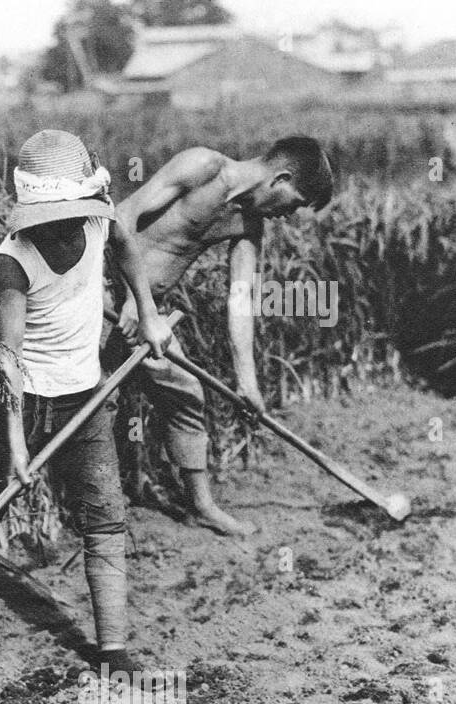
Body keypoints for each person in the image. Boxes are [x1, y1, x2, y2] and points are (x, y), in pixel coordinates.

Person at [0, 130, 171, 669]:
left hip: (86, 394)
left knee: (104, 513)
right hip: (27, 398)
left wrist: (146, 314)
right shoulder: (12, 261)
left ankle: (112, 647)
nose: (64, 218)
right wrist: (14, 442)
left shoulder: (100, 221)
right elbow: (7, 354)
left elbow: (127, 246)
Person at [107, 137, 335, 536]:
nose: (289, 215)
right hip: (107, 295)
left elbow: (240, 301)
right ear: (280, 179)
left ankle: (201, 507)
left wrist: (247, 382)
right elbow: (122, 216)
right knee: (89, 398)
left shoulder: (249, 225)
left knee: (185, 393)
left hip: (148, 317)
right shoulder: (203, 167)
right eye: (296, 203)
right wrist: (135, 303)